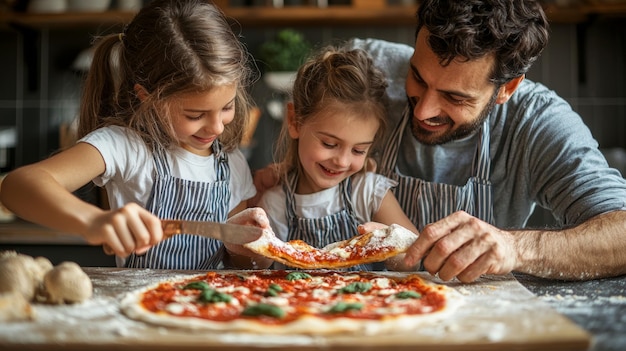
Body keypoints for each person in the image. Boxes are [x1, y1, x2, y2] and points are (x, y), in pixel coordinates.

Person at [253, 0, 626, 282]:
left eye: (455, 97)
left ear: (507, 88)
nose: (423, 110)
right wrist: (289, 175)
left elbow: (621, 231)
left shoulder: (539, 123)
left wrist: (517, 248)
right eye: (416, 76)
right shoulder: (369, 66)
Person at [0, 0, 270, 270]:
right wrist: (93, 221)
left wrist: (247, 248)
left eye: (227, 107)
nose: (217, 128)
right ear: (147, 97)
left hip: (213, 306)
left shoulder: (232, 163)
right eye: (195, 115)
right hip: (141, 303)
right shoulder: (126, 146)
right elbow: (17, 187)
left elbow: (236, 263)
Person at [256, 46, 420, 271]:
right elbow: (261, 270)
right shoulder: (276, 204)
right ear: (295, 121)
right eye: (329, 144)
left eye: (359, 151)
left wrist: (389, 244)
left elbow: (415, 259)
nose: (342, 161)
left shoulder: (368, 192)